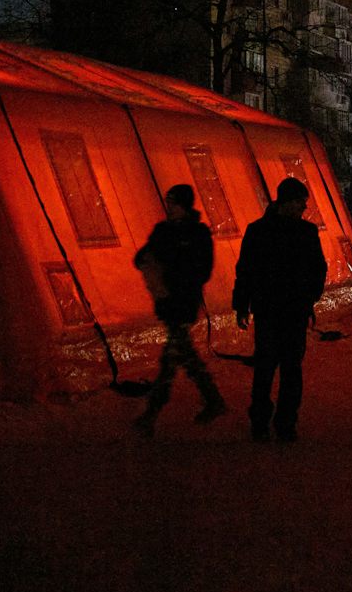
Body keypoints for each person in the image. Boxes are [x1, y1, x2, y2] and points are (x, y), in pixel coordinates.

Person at [232, 177, 327, 442]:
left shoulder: (277, 231)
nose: (303, 208)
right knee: (271, 367)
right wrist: (242, 304)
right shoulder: (265, 231)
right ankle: (267, 420)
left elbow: (318, 269)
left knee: (285, 368)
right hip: (274, 310)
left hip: (286, 310)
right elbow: (246, 270)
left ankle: (281, 421)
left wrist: (308, 297)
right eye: (299, 202)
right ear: (285, 202)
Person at [131, 185, 228, 437]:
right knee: (180, 354)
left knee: (172, 358)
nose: (169, 207)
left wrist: (176, 275)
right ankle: (212, 400)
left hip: (183, 302)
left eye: (174, 203)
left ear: (185, 205)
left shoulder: (197, 233)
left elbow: (203, 269)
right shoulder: (163, 231)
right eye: (168, 202)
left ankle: (151, 413)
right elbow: (141, 256)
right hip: (167, 302)